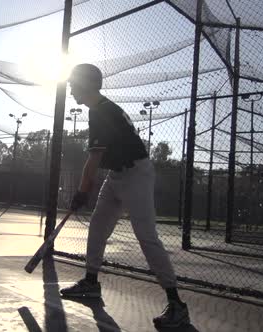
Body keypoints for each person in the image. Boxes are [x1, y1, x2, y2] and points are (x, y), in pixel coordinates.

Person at [59, 63, 190, 328]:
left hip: (136, 175)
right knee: (97, 228)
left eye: (74, 84)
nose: (72, 89)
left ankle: (177, 304)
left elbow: (92, 161)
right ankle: (91, 282)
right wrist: (85, 191)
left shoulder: (102, 112)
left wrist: (82, 191)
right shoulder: (101, 110)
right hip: (117, 176)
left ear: (86, 85)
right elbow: (100, 160)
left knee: (146, 236)